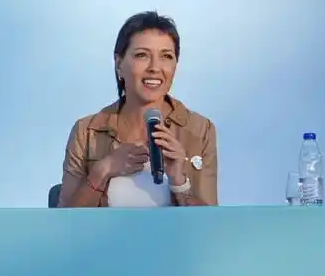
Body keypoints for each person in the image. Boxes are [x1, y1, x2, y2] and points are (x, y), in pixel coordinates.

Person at [58, 11, 217, 208]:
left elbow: (208, 226)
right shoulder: (87, 131)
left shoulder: (200, 130)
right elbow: (65, 221)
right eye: (142, 55)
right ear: (119, 63)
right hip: (106, 240)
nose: (155, 67)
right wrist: (103, 170)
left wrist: (179, 180)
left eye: (166, 56)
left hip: (172, 240)